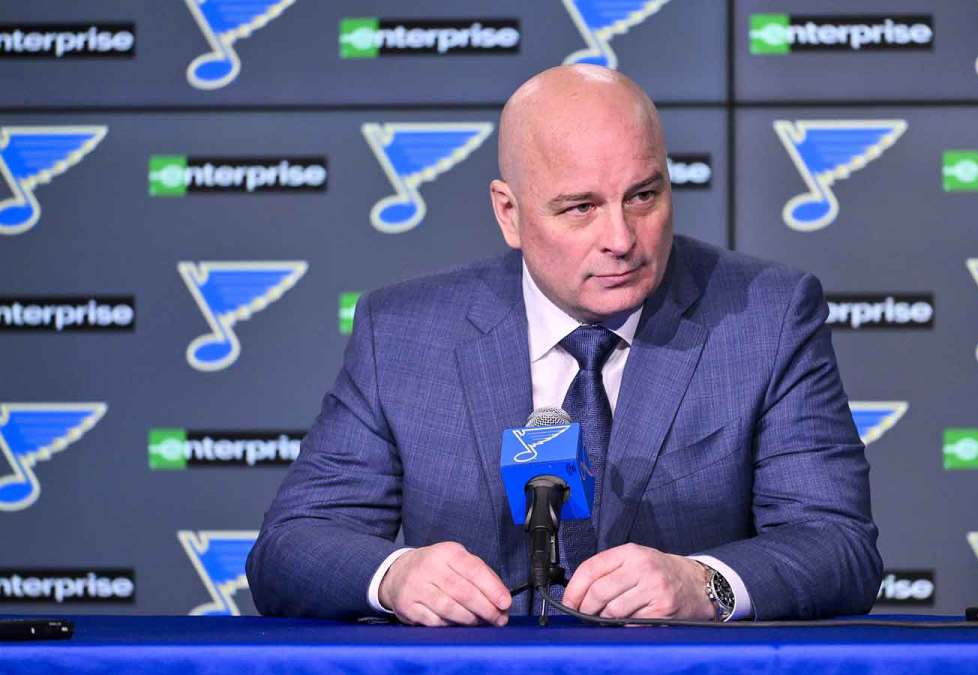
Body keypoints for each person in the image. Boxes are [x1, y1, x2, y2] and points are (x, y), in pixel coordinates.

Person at [246, 65, 880, 626]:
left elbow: (836, 544)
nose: (622, 238)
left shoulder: (764, 317)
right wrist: (397, 575)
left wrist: (705, 583)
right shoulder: (405, 333)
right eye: (580, 208)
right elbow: (292, 546)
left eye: (644, 195)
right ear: (509, 213)